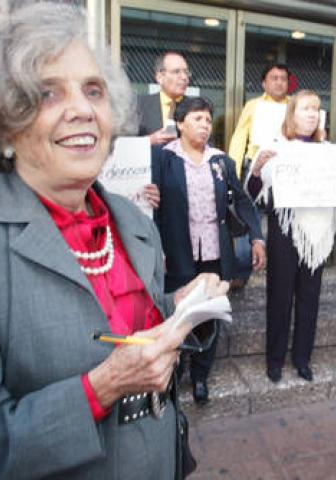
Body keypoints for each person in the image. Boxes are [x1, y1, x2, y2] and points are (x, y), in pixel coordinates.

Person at [0, 3, 227, 478]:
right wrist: (100, 389)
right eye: (48, 94)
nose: (81, 110)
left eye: (93, 90)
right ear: (9, 121)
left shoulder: (132, 220)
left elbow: (127, 325)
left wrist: (179, 307)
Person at [151, 96, 266, 404]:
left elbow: (242, 201)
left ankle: (201, 375)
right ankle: (174, 374)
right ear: (180, 124)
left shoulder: (220, 161)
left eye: (207, 119)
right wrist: (154, 249)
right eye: (197, 118)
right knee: (177, 315)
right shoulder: (162, 158)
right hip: (177, 251)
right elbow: (151, 207)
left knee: (209, 315)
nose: (204, 125)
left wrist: (257, 237)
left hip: (214, 253)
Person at [246, 90, 336, 383]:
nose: (313, 114)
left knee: (310, 297)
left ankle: (302, 358)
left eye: (317, 109)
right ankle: (274, 360)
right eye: (306, 109)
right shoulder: (274, 147)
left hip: (318, 234)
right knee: (280, 297)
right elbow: (250, 194)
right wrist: (259, 169)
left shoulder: (330, 151)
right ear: (292, 114)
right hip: (284, 232)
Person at [228, 63, 290, 289]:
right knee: (248, 218)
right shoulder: (253, 105)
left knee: (280, 220)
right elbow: (239, 136)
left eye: (283, 78)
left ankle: (278, 267)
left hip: (284, 170)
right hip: (254, 167)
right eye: (273, 78)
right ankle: (243, 271)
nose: (279, 82)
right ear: (264, 83)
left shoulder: (293, 106)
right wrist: (232, 172)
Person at [138, 51, 190, 145]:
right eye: (176, 72)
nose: (184, 77)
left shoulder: (195, 108)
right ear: (160, 77)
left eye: (186, 72)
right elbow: (123, 143)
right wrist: (149, 141)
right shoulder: (139, 105)